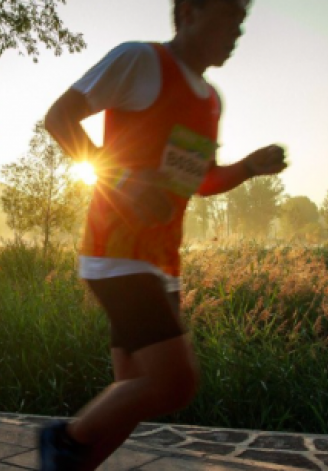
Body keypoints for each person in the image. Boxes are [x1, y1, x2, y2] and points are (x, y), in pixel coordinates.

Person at [40, 0, 288, 469]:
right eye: (229, 18)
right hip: (116, 251)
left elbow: (198, 180)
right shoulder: (141, 60)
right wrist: (125, 185)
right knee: (175, 383)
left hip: (161, 264)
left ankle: (72, 461)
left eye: (242, 22)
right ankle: (62, 440)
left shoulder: (210, 100)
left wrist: (249, 167)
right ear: (190, 13)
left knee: (131, 396)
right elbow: (59, 118)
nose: (238, 32)